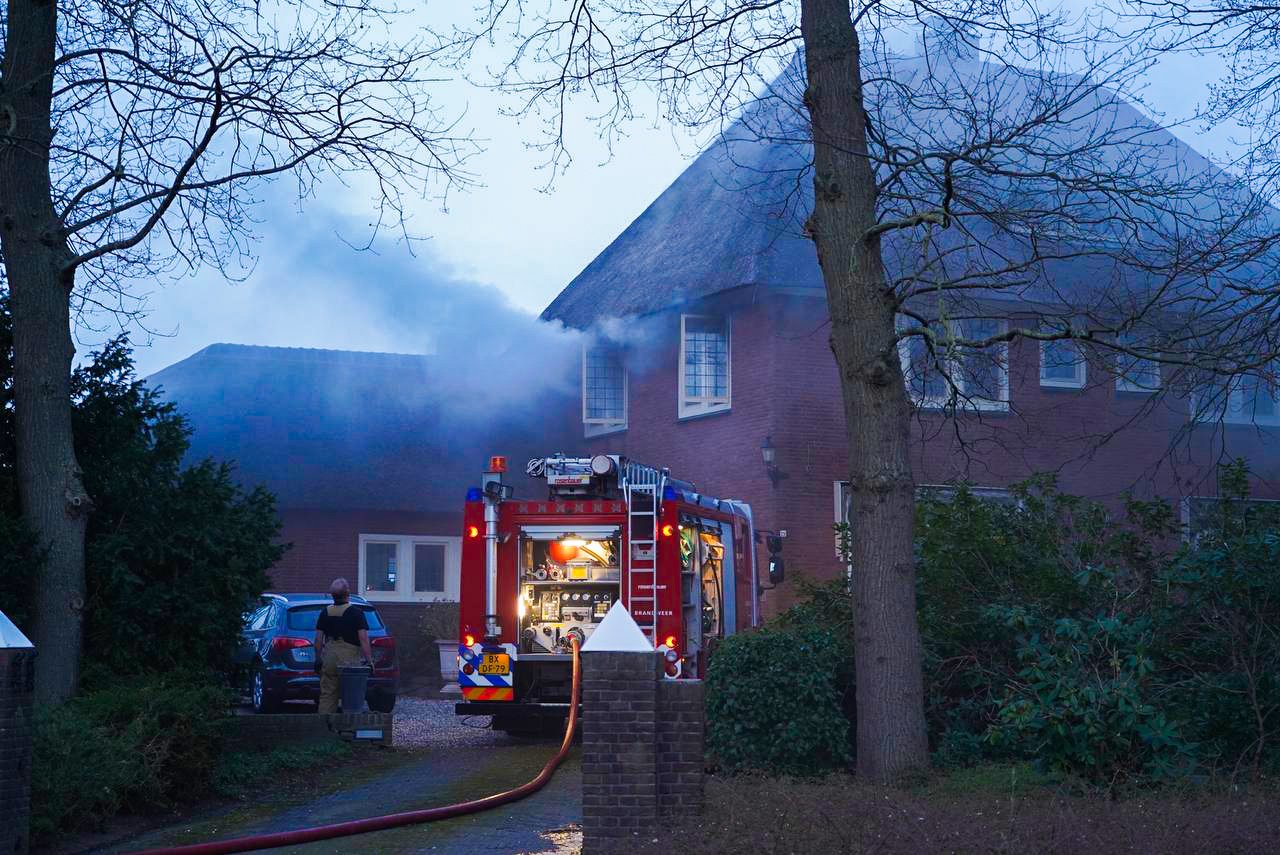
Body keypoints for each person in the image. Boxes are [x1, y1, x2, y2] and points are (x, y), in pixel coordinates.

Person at [314, 578, 373, 713]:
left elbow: (318, 639)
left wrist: (318, 659)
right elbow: (363, 639)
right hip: (349, 660)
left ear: (332, 595)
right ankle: (349, 729)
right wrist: (369, 661)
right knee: (352, 698)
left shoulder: (325, 612)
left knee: (327, 696)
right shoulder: (356, 613)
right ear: (348, 593)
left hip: (329, 657)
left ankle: (324, 728)